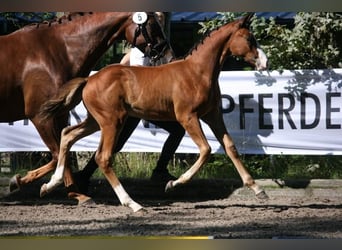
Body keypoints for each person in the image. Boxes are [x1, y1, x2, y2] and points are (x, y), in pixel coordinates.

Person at [74, 13, 185, 192]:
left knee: (177, 130)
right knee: (116, 143)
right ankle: (84, 176)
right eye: (157, 20)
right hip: (135, 101)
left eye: (161, 20)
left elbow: (132, 63)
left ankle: (160, 170)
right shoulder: (140, 50)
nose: (160, 21)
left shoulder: (156, 46)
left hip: (147, 101)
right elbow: (127, 68)